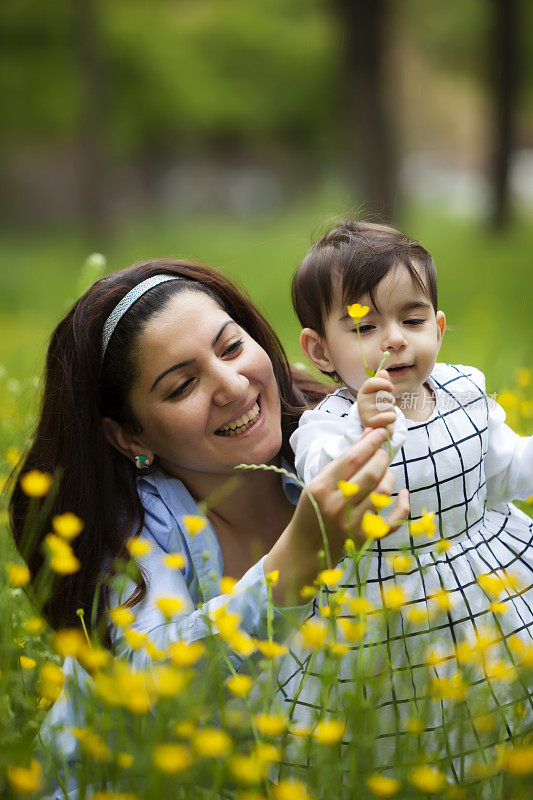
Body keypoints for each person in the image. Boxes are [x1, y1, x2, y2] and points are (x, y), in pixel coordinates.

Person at [9, 261, 409, 764]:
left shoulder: (336, 435)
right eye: (181, 387)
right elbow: (160, 690)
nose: (233, 386)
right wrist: (300, 556)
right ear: (130, 436)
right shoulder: (128, 535)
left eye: (232, 347)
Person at [278, 220, 533, 771]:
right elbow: (327, 482)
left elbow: (508, 468)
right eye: (365, 327)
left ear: (437, 329)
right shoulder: (330, 426)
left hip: (490, 581)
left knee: (501, 696)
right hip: (388, 604)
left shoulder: (464, 393)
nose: (394, 338)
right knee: (410, 723)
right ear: (320, 350)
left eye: (412, 320)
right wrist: (367, 433)